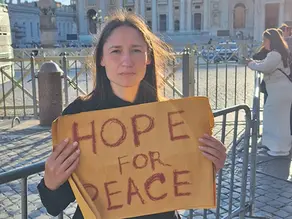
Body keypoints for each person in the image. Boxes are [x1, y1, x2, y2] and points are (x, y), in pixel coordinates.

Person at [37, 10, 227, 219]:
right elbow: (55, 204)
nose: (126, 60)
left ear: (148, 57)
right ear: (101, 58)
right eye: (116, 51)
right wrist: (51, 182)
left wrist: (207, 167)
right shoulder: (77, 116)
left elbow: (181, 183)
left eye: (136, 50)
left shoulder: (174, 117)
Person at [247, 28, 292, 156]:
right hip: (284, 90)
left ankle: (277, 148)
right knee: (281, 120)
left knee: (275, 118)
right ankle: (281, 147)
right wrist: (255, 62)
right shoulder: (282, 52)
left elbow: (265, 67)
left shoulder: (274, 54)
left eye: (265, 40)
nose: (264, 43)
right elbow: (266, 63)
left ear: (271, 40)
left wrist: (251, 64)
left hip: (278, 91)